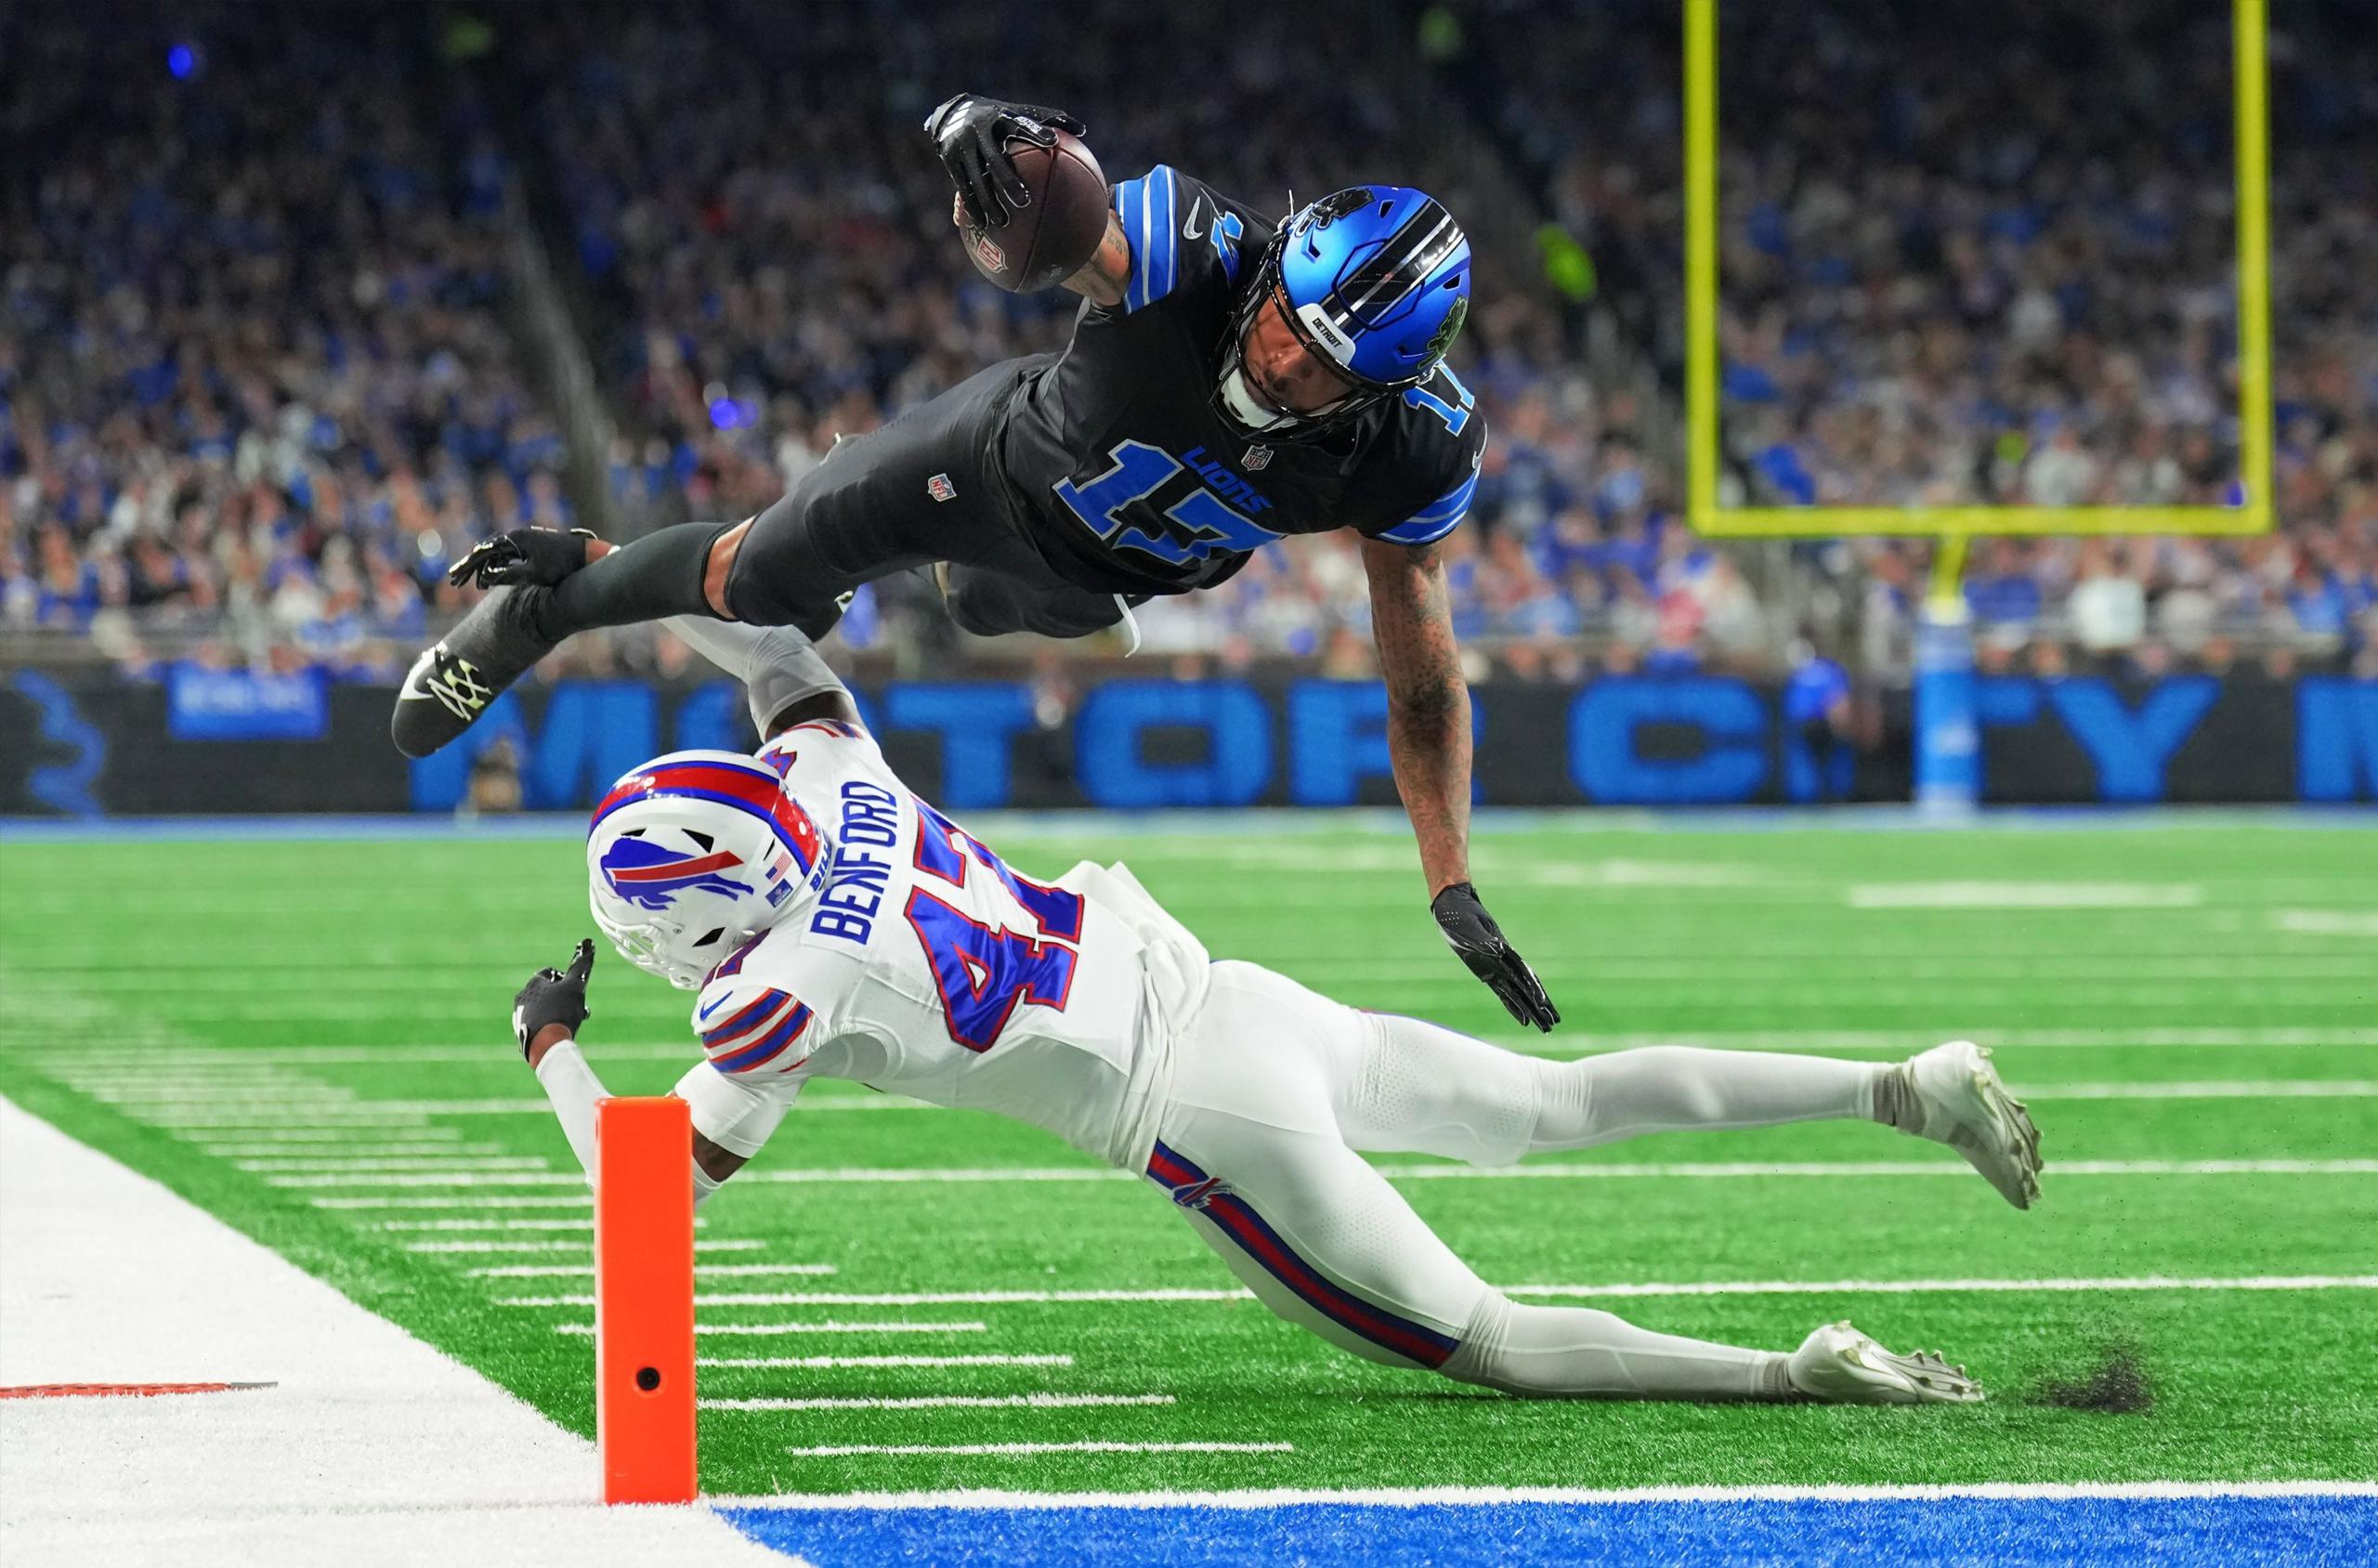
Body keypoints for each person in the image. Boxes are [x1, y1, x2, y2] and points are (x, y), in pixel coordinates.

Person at [506, 617, 2042, 1405]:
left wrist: (552, 1044)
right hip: (1237, 996)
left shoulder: (778, 994)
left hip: (1202, 1116)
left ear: (706, 908)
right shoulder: (839, 781)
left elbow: (643, 1189)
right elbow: (768, 640)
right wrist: (590, 579)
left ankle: (1791, 1372)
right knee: (1560, 1098)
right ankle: (1901, 1082)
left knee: (1488, 1340)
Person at [397, 93, 1558, 1033]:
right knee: (751, 579)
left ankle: (969, 584)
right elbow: (1066, 228)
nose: (1280, 362)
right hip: (988, 464)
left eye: (1321, 372)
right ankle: (551, 603)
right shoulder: (1190, 253)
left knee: (998, 610)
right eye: (1282, 325)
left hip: (1084, 576)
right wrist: (1005, 154)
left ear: (1386, 392)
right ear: (1277, 268)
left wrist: (1447, 876)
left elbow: (1420, 681)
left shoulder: (1413, 451)